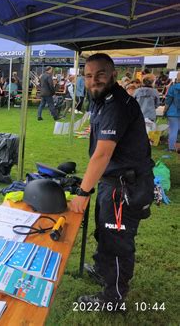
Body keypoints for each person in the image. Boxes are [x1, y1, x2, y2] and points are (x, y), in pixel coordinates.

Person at [69, 53, 154, 306]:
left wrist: (83, 193)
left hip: (125, 187)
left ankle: (113, 297)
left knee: (117, 240)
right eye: (88, 75)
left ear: (114, 75)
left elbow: (103, 153)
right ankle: (103, 271)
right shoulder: (101, 99)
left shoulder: (116, 104)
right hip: (112, 183)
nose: (93, 80)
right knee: (104, 233)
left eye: (100, 75)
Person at [164, 73, 180, 152]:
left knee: (173, 130)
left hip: (173, 112)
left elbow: (168, 101)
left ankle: (171, 147)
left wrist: (165, 110)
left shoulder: (173, 88)